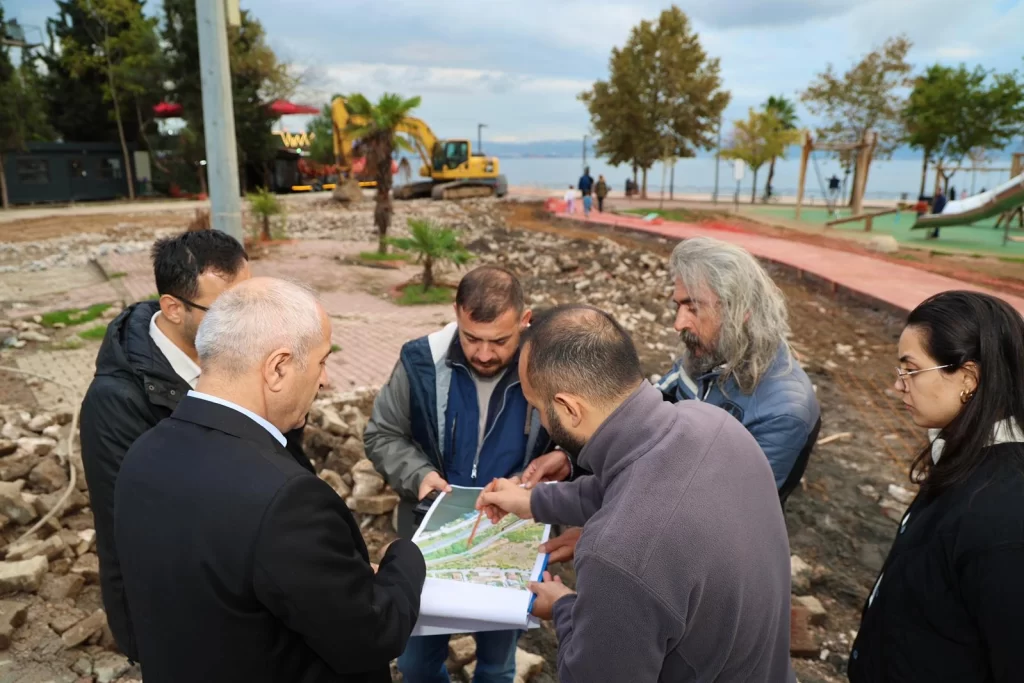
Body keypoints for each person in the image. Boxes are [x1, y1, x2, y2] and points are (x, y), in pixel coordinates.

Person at [115, 278, 426, 682]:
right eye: (321, 362)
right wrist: (404, 557)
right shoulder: (287, 499)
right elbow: (372, 632)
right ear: (278, 367)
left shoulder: (141, 454)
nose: (325, 381)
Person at [477, 305, 794, 682]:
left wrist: (563, 607)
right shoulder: (712, 423)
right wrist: (532, 501)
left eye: (536, 408)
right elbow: (622, 483)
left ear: (568, 408)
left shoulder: (618, 555)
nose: (538, 420)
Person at [80, 230, 302, 659]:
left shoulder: (239, 352)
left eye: (250, 301)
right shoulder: (116, 402)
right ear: (173, 308)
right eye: (228, 310)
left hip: (255, 592)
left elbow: (282, 459)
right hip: (186, 616)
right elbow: (130, 529)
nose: (249, 322)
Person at [364, 265, 552, 683]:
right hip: (427, 536)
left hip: (511, 536)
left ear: (526, 319)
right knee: (414, 665)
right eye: (472, 339)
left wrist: (544, 472)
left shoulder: (548, 364)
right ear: (456, 314)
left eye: (500, 342)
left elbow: (573, 446)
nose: (484, 354)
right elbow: (382, 435)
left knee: (497, 666)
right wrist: (419, 475)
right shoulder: (420, 361)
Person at [849, 291, 1024, 682]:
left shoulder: (1004, 515)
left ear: (967, 378)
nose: (898, 385)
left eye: (910, 369)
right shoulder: (965, 461)